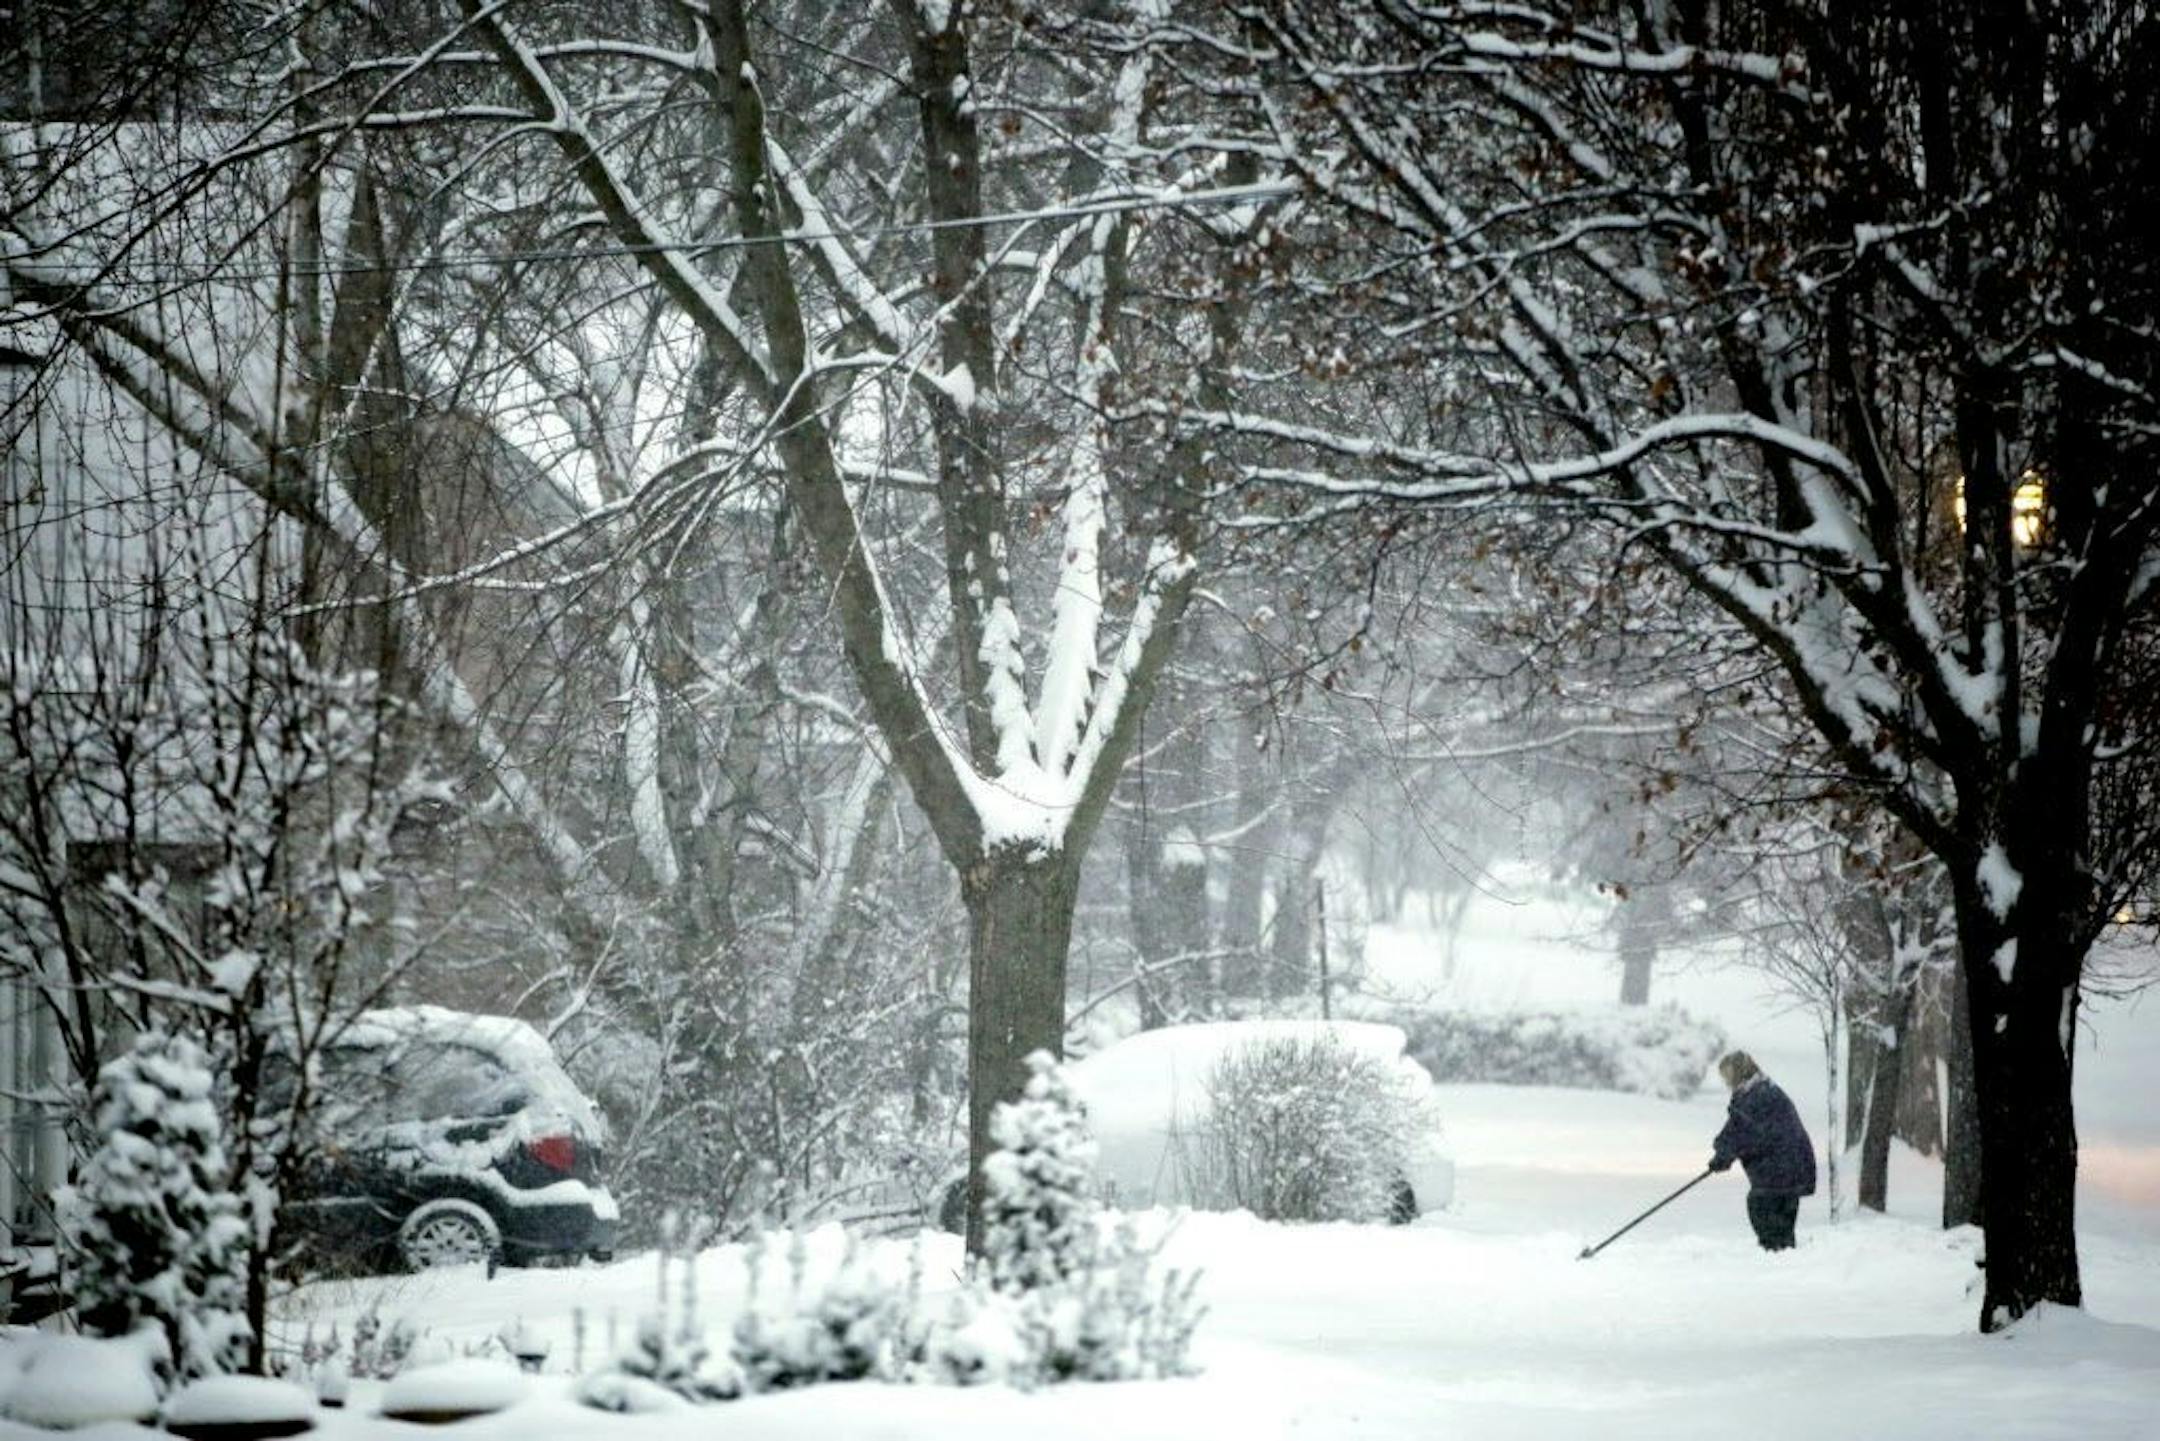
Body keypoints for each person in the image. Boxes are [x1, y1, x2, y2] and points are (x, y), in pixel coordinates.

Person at [1707, 1050, 1816, 1251]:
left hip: (1780, 1169)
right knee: (1779, 1221)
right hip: (1794, 1167)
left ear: (1737, 1074)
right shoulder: (1765, 1090)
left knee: (1761, 1207)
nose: (1726, 1084)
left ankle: (1775, 1257)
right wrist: (1723, 1154)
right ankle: (1784, 1258)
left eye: (1726, 1078)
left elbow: (1739, 1129)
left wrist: (1723, 1155)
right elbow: (1742, 1130)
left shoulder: (1755, 1097)